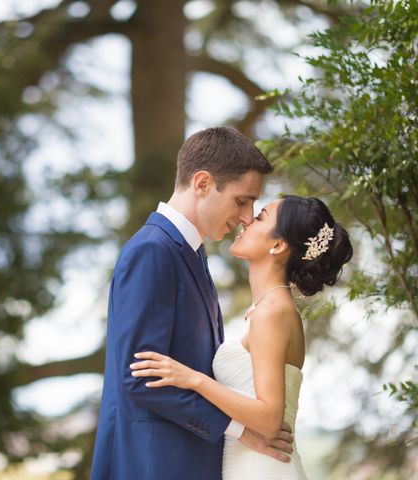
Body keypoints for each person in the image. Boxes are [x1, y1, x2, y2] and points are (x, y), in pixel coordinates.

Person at [90, 127, 295, 480]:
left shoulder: (191, 254)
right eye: (241, 200)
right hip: (154, 464)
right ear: (202, 183)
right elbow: (139, 378)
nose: (247, 217)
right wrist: (241, 430)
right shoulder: (152, 251)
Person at [130, 195, 353, 479]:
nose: (247, 220)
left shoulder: (271, 313)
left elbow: (270, 420)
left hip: (260, 468)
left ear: (278, 245)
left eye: (260, 217)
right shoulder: (269, 309)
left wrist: (193, 379)